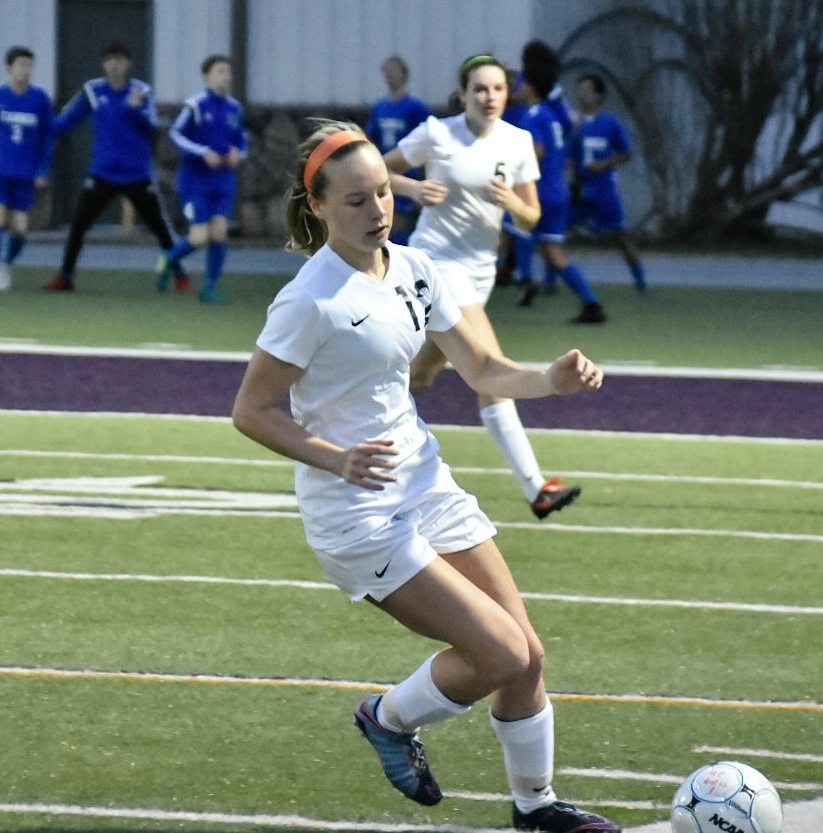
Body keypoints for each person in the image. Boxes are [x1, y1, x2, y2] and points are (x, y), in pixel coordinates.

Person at [231, 120, 620, 833]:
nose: (377, 209)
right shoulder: (309, 298)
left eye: (383, 192)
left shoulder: (416, 268)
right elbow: (251, 410)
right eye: (355, 200)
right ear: (317, 207)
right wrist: (332, 455)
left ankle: (536, 807)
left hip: (425, 483)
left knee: (527, 654)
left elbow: (482, 369)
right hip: (358, 513)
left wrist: (551, 379)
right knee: (497, 651)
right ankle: (385, 716)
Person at [382, 55, 583, 520]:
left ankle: (349, 439)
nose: (490, 97)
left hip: (480, 271)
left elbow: (531, 217)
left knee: (419, 376)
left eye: (497, 89)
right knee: (490, 367)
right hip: (436, 266)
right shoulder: (437, 133)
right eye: (480, 89)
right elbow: (377, 171)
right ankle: (537, 488)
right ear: (463, 94)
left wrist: (513, 201)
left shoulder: (518, 141)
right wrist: (412, 191)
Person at [45, 41, 187, 292]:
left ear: (128, 64)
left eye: (120, 60)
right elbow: (67, 121)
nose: (115, 65)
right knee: (78, 225)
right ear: (103, 64)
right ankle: (65, 277)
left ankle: (179, 275)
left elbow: (151, 129)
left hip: (136, 174)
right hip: (103, 173)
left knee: (159, 227)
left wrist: (134, 110)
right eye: (110, 59)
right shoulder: (93, 91)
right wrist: (43, 127)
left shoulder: (141, 91)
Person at [508, 56, 607, 322]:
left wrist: (509, 165)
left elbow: (537, 150)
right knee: (552, 252)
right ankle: (591, 303)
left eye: (521, 81)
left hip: (538, 193)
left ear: (532, 87)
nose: (516, 85)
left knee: (513, 229)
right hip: (556, 191)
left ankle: (524, 280)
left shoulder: (532, 116)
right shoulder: (550, 115)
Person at [158, 54, 248, 304]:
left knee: (219, 233)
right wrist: (202, 152)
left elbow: (242, 139)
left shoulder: (235, 108)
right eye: (220, 71)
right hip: (195, 181)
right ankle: (170, 258)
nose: (225, 76)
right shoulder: (195, 106)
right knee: (200, 237)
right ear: (207, 77)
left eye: (228, 72)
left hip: (223, 182)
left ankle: (209, 288)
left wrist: (237, 153)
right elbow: (175, 134)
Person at [569, 73, 646, 292]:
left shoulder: (610, 123)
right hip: (581, 190)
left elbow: (626, 153)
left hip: (604, 190)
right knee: (555, 231)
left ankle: (640, 281)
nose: (582, 95)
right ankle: (549, 283)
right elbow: (569, 156)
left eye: (587, 90)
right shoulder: (575, 124)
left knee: (620, 237)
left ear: (599, 96)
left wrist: (605, 164)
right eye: (579, 90)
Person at [0, 46, 54, 292]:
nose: (25, 70)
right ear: (9, 67)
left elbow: (47, 138)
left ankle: (5, 263)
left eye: (29, 65)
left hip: (26, 173)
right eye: (20, 65)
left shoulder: (39, 99)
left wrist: (42, 170)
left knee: (20, 228)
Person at [364, 56, 432, 245]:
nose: (388, 77)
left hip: (405, 172)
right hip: (383, 169)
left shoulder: (416, 107)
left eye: (392, 72)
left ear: (404, 74)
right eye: (385, 73)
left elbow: (427, 139)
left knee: (398, 221)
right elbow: (372, 137)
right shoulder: (380, 107)